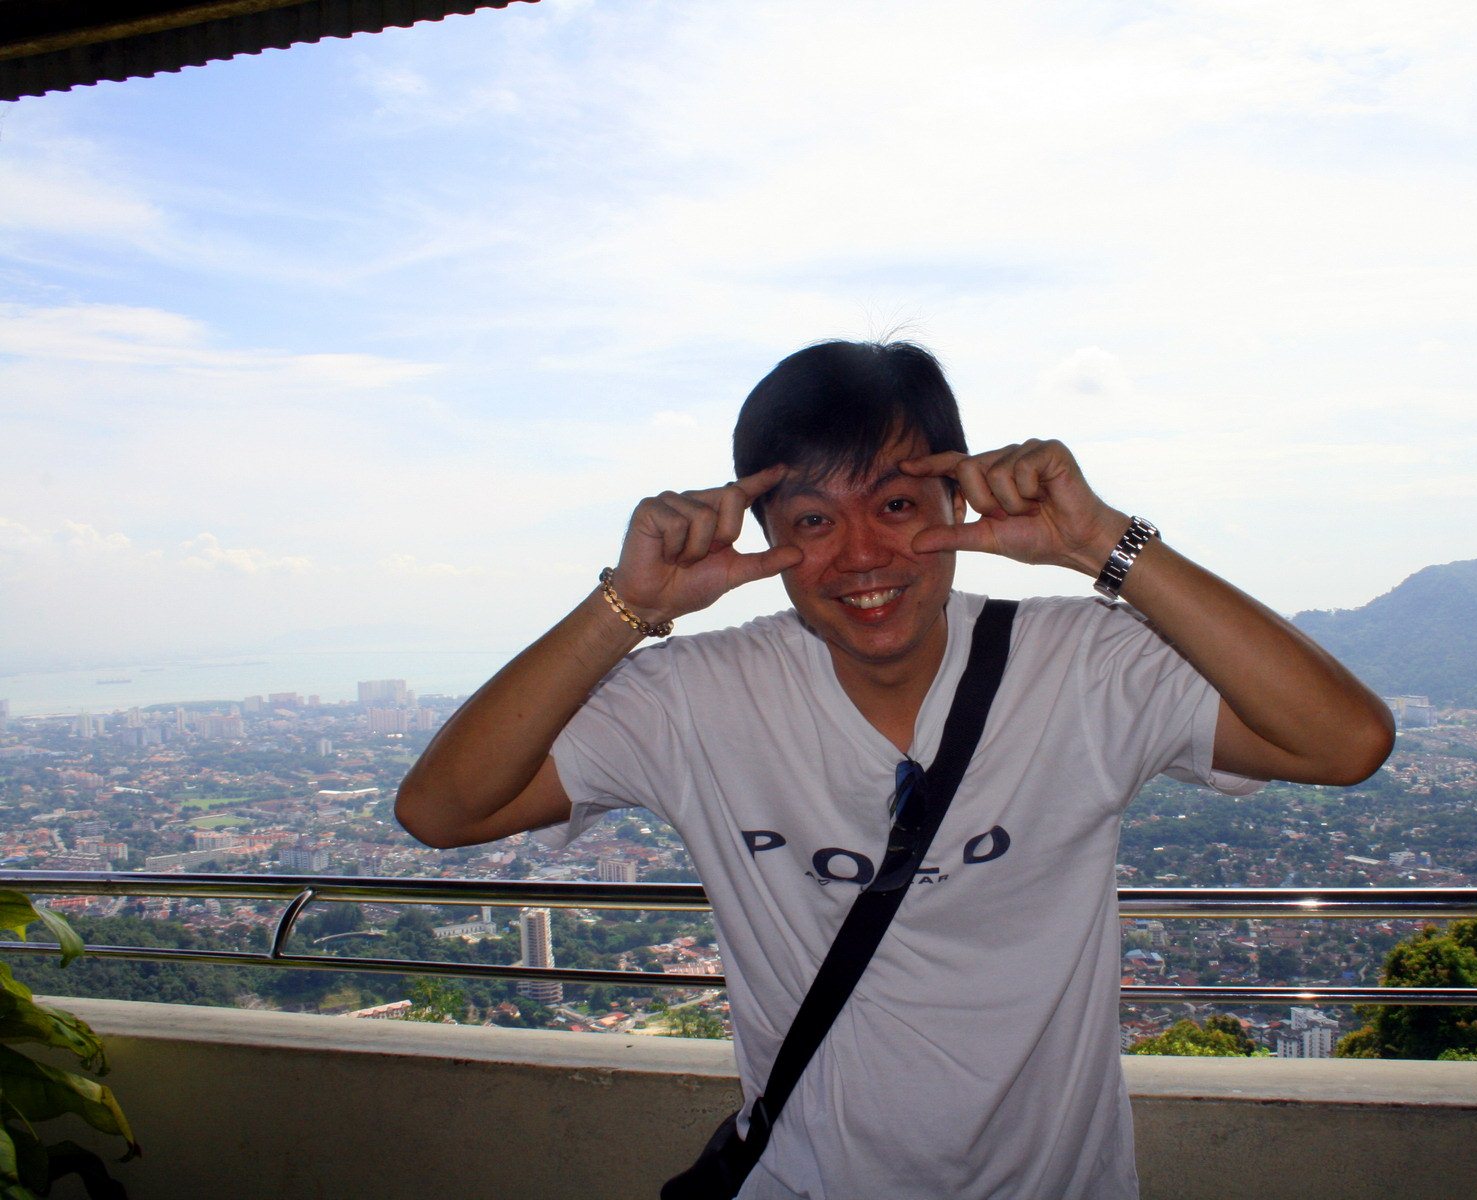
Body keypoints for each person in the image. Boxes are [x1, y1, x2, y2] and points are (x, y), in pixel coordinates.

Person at [395, 340, 1394, 1199]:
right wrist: (629, 604)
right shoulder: (699, 698)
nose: (863, 556)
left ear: (959, 498)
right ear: (766, 538)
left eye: (898, 504)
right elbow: (441, 810)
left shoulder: (1082, 666)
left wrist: (1101, 541)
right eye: (814, 520)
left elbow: (1345, 742)